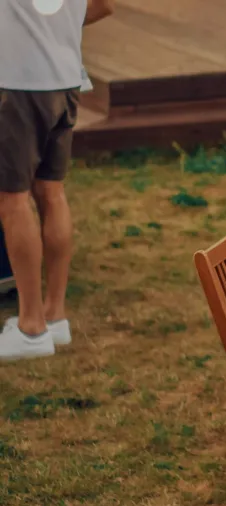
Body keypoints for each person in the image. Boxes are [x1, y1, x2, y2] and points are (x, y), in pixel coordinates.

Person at [0, 0, 114, 361]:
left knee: (13, 199)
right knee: (51, 192)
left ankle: (31, 328)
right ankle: (54, 315)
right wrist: (50, 32)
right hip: (65, 78)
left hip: (16, 83)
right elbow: (100, 5)